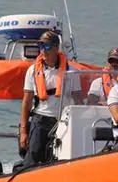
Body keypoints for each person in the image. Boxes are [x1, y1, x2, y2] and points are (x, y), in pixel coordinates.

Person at [19, 30, 82, 166]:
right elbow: (26, 102)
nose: (43, 51)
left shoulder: (71, 72)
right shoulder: (32, 71)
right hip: (40, 120)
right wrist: (23, 131)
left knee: (62, 158)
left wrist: (79, 125)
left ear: (56, 48)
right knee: (32, 159)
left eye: (47, 47)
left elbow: (78, 101)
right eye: (41, 46)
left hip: (63, 122)